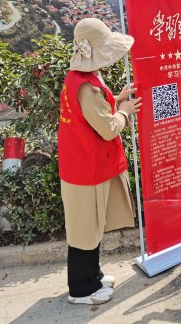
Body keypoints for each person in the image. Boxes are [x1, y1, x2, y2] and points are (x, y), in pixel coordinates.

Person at [58, 18, 142, 305]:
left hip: (83, 164)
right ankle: (81, 289)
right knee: (84, 230)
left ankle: (93, 277)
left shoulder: (80, 78)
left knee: (90, 226)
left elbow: (95, 111)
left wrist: (118, 98)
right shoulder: (86, 86)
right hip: (86, 168)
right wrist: (125, 110)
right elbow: (107, 127)